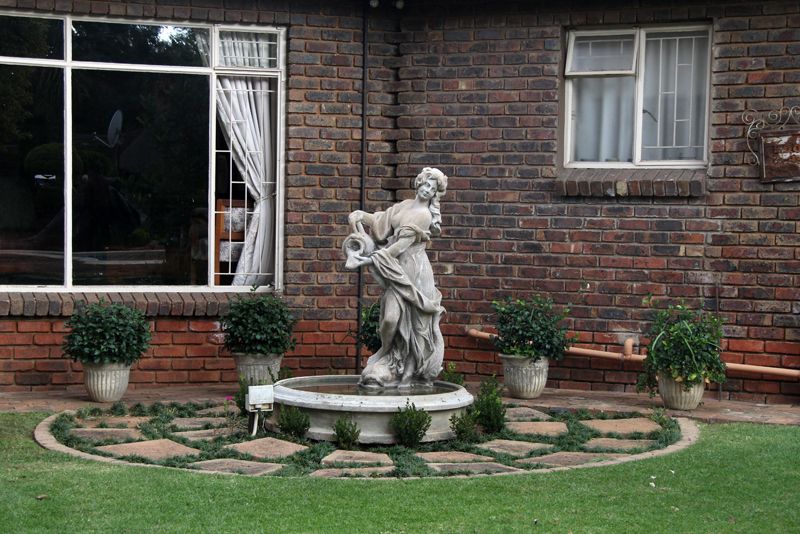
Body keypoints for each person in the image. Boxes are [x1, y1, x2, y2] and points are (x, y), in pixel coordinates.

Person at [345, 167, 448, 388]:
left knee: (416, 326)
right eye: (425, 184)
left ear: (434, 194)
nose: (426, 189)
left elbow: (399, 247)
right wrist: (361, 216)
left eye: (432, 188)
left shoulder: (423, 215)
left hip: (415, 273)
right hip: (396, 268)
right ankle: (386, 351)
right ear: (418, 183)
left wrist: (367, 260)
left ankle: (408, 374)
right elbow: (381, 222)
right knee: (390, 319)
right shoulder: (404, 205)